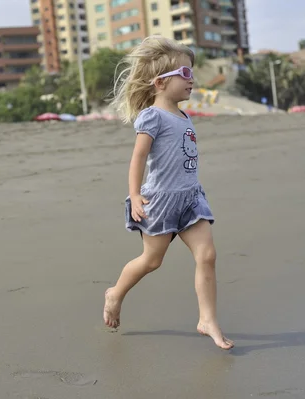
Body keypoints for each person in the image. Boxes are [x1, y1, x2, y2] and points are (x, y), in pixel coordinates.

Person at [103, 36, 234, 350]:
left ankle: (207, 319)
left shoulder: (184, 116)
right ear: (160, 82)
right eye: (186, 74)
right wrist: (134, 196)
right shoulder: (152, 116)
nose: (192, 81)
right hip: (160, 201)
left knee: (207, 255)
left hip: (191, 199)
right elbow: (138, 158)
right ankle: (115, 293)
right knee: (151, 261)